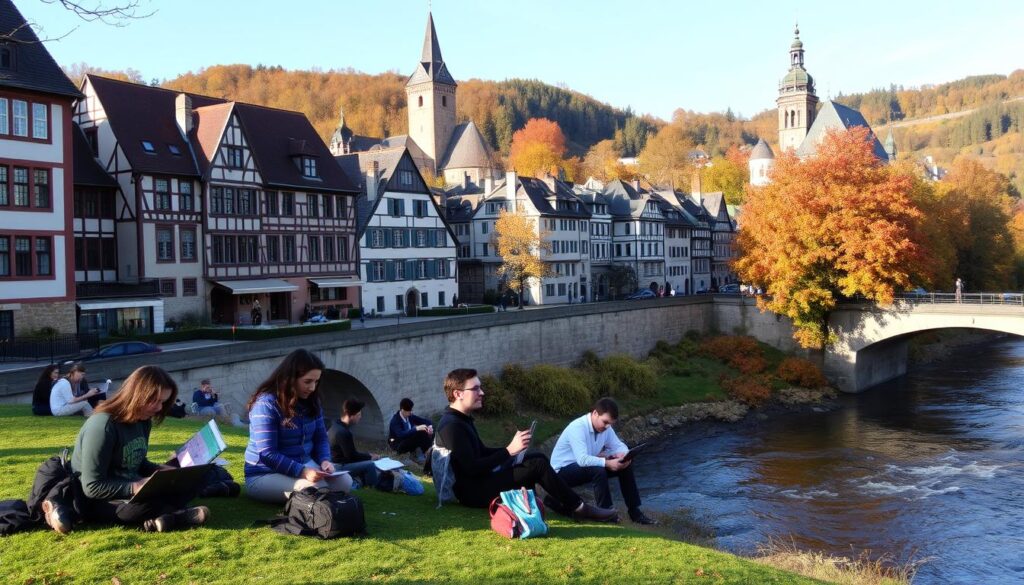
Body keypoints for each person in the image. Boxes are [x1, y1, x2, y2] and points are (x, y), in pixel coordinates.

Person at [435, 368, 618, 521]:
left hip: (478, 483)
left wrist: (514, 449)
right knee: (536, 465)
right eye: (475, 388)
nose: (482, 393)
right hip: (472, 493)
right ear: (458, 394)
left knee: (536, 457)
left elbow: (481, 452)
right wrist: (508, 451)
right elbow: (471, 468)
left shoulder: (461, 420)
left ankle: (540, 506)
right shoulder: (452, 426)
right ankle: (579, 508)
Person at [55, 365, 209, 533]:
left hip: (135, 487)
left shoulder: (143, 420)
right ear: (136, 395)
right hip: (101, 499)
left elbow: (137, 462)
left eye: (162, 402)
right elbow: (92, 486)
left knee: (194, 481)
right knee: (146, 506)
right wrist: (135, 487)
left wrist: (164, 471)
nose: (158, 408)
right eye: (154, 400)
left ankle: (165, 515)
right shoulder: (103, 426)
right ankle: (176, 516)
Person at [243, 349, 352, 504]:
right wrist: (302, 471)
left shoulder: (312, 402)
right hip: (264, 473)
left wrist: (325, 460)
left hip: (303, 464)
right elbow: (267, 454)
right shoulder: (266, 404)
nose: (313, 388)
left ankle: (322, 501)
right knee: (317, 489)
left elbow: (321, 437)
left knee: (345, 482)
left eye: (316, 382)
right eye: (307, 382)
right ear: (290, 379)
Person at [549, 398, 656, 525]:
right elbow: (582, 459)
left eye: (610, 424)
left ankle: (635, 512)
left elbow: (619, 445)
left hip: (583, 467)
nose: (607, 427)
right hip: (560, 473)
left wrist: (622, 455)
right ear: (595, 413)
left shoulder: (605, 428)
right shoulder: (577, 428)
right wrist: (607, 462)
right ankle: (606, 513)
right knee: (597, 469)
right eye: (605, 422)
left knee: (625, 466)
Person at [328, 399, 380, 489]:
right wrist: (370, 457)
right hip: (339, 467)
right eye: (358, 415)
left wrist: (366, 455)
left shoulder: (336, 425)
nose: (360, 417)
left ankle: (363, 482)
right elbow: (351, 456)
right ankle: (373, 488)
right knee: (370, 465)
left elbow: (350, 452)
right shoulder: (343, 432)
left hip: (334, 463)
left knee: (366, 460)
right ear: (350, 416)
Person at [387, 398, 433, 463]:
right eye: (409, 411)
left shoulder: (410, 416)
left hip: (409, 441)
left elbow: (425, 421)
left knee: (425, 430)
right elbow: (401, 435)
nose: (411, 412)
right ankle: (427, 453)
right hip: (398, 444)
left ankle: (428, 452)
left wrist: (429, 427)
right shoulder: (395, 421)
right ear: (403, 410)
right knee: (419, 432)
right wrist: (416, 428)